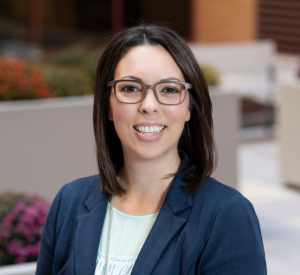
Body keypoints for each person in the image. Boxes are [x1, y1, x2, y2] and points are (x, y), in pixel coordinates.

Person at [36, 25, 267, 275]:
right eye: (130, 88)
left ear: (189, 108)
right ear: (108, 107)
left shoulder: (226, 215)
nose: (149, 105)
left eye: (169, 90)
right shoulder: (69, 201)